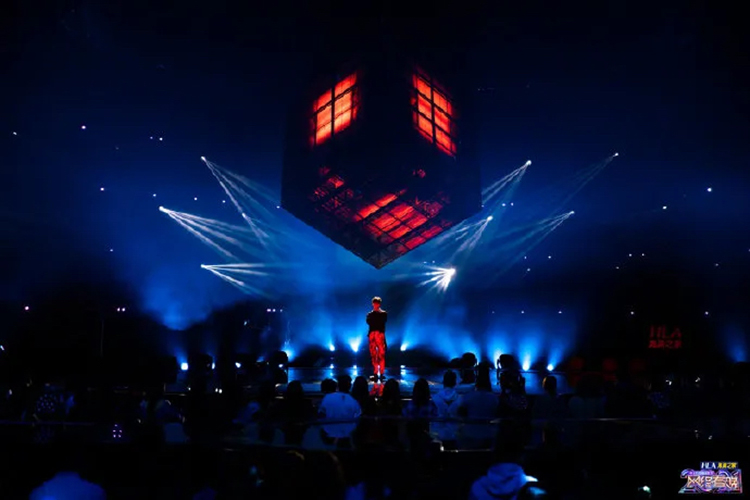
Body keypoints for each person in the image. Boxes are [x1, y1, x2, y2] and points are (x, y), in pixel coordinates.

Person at [366, 296, 388, 381]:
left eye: (377, 303)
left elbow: (381, 323)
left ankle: (381, 373)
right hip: (372, 334)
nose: (376, 305)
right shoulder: (369, 314)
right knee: (373, 354)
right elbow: (369, 323)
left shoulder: (383, 314)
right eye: (375, 303)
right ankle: (375, 373)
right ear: (373, 304)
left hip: (379, 334)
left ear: (379, 304)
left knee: (381, 354)